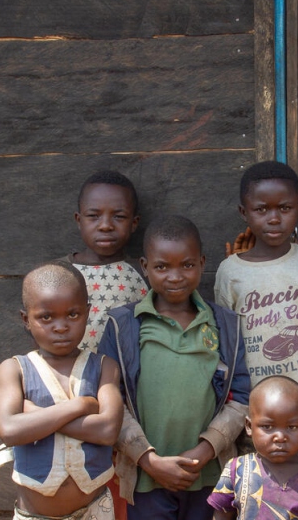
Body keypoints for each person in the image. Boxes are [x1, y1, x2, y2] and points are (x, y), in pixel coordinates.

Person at [97, 215, 251, 520]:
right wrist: (147, 459)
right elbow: (109, 400)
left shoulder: (225, 324)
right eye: (162, 267)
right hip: (145, 478)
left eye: (187, 265)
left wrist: (205, 451)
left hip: (209, 476)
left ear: (202, 262)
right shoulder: (123, 325)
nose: (175, 276)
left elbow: (242, 396)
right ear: (144, 266)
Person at [214, 161, 298, 475]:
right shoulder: (231, 271)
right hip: (255, 415)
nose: (273, 218)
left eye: (284, 208)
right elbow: (226, 342)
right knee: (257, 499)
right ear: (244, 213)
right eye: (261, 209)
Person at [0, 261, 125, 520]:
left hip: (96, 511)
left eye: (73, 315)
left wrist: (35, 416)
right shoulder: (14, 370)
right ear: (26, 319)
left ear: (88, 313)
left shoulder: (104, 367)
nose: (61, 326)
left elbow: (108, 431)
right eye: (46, 317)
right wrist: (81, 405)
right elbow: (9, 430)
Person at [208, 376, 298, 520]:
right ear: (249, 426)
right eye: (267, 427)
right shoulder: (236, 470)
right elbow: (221, 515)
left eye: (292, 427)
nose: (280, 437)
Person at [66, 170, 148, 354]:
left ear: (134, 223)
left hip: (125, 378)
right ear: (79, 220)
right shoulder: (59, 272)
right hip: (71, 378)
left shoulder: (144, 273)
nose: (105, 225)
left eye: (119, 216)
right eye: (93, 216)